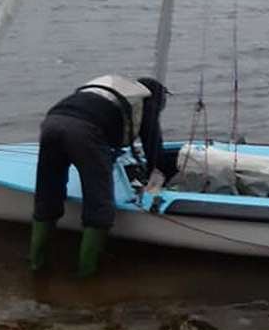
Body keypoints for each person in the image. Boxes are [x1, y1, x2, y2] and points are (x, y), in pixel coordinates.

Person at [29, 74, 171, 277]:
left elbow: (104, 125)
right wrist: (157, 177)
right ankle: (85, 274)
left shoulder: (113, 92)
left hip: (52, 122)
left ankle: (36, 264)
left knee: (48, 193)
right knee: (99, 203)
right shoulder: (146, 101)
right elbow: (153, 148)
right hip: (83, 131)